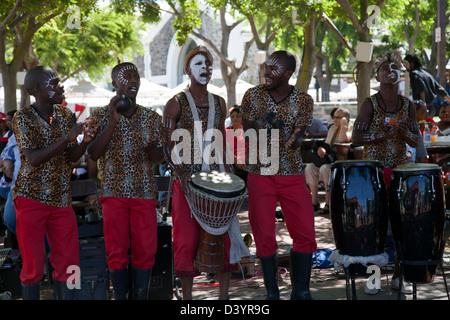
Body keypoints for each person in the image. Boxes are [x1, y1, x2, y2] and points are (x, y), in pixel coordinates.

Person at [162, 46, 248, 300]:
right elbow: (166, 145)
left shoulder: (219, 102)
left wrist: (231, 174)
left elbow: (221, 140)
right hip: (185, 182)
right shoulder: (174, 103)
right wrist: (181, 171)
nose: (205, 69)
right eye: (199, 64)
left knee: (225, 240)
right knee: (186, 241)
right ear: (187, 69)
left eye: (209, 64)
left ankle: (223, 298)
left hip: (217, 179)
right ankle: (188, 301)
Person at [13, 66, 98, 300]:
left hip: (61, 199)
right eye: (54, 83)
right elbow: (32, 157)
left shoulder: (65, 115)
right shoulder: (22, 118)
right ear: (37, 89)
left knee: (70, 261)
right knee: (33, 265)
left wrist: (84, 143)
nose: (61, 86)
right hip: (31, 197)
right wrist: (67, 138)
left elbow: (70, 156)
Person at [241, 50, 317, 300]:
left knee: (305, 232)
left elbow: (298, 137)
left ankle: (301, 292)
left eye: (274, 69)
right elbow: (250, 134)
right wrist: (268, 130)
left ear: (288, 73)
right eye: (266, 67)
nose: (267, 72)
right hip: (260, 175)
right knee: (264, 235)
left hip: (292, 175)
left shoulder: (303, 100)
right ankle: (272, 292)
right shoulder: (252, 96)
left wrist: (289, 137)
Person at [88, 62, 163, 300]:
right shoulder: (99, 114)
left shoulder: (152, 117)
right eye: (127, 76)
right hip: (113, 193)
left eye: (136, 76)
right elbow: (93, 153)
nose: (134, 80)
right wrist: (113, 121)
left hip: (144, 192)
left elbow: (159, 158)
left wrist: (153, 152)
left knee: (146, 252)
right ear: (114, 83)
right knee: (116, 252)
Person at [352, 51, 422, 294]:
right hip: (375, 173)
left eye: (394, 68)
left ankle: (399, 277)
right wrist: (386, 134)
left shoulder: (408, 105)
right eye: (385, 68)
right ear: (378, 75)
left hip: (401, 173)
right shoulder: (369, 104)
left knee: (402, 225)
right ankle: (374, 278)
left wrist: (404, 134)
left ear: (399, 74)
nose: (390, 72)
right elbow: (355, 138)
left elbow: (415, 142)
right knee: (376, 225)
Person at [305, 108, 352, 214]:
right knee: (310, 168)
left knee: (325, 169)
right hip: (330, 161)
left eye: (338, 117)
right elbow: (327, 145)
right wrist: (321, 149)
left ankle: (328, 203)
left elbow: (342, 140)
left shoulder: (350, 128)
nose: (334, 120)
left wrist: (344, 124)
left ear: (346, 119)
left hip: (342, 164)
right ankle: (315, 202)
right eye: (334, 117)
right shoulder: (332, 129)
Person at [225, 106, 247, 184]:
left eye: (238, 116)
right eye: (233, 116)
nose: (235, 118)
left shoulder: (246, 131)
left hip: (246, 163)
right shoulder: (226, 132)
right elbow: (226, 149)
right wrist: (236, 161)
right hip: (232, 163)